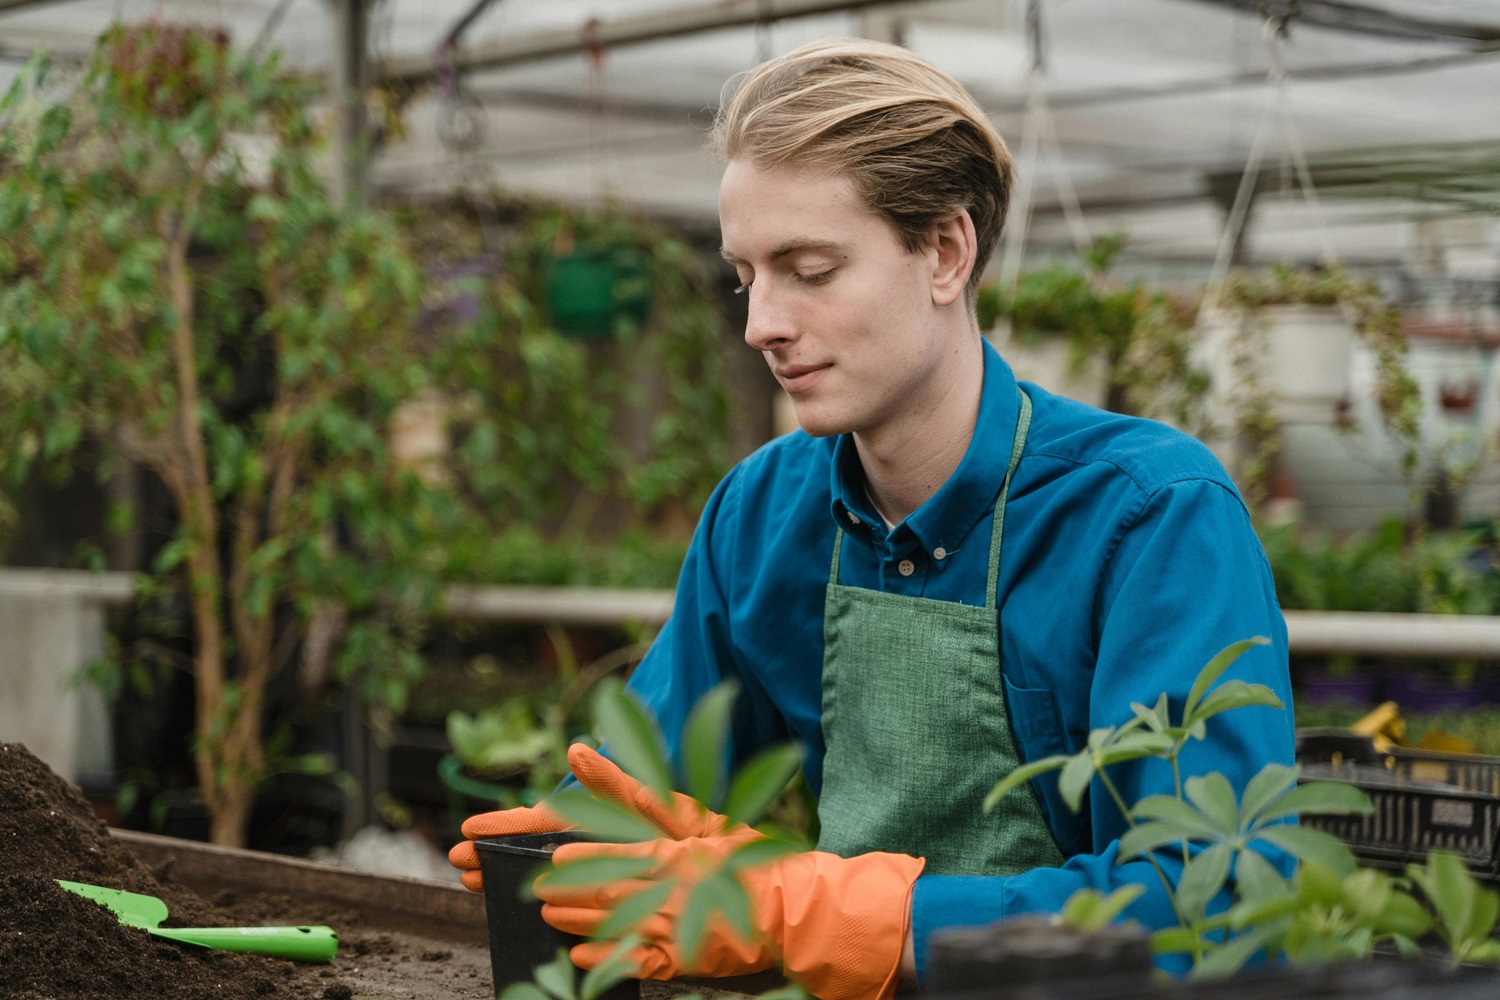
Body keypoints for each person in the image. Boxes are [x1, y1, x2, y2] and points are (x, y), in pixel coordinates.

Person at [450, 37, 1294, 999]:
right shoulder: (763, 512)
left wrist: (802, 910)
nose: (761, 321)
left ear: (944, 251)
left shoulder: (1149, 517)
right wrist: (577, 848)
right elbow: (656, 780)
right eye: (745, 274)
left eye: (808, 269)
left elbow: (1214, 910)